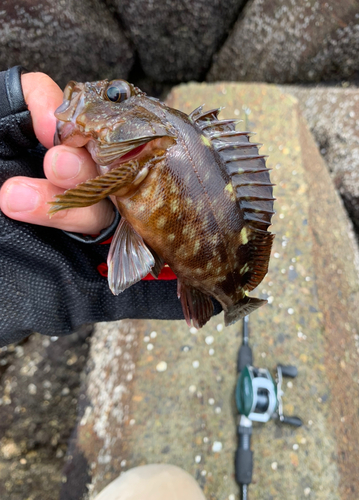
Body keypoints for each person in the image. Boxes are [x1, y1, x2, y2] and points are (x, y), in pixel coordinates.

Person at [0, 67, 210, 499]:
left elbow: (77, 196)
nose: (85, 93)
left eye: (116, 96)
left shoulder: (151, 148)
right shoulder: (143, 148)